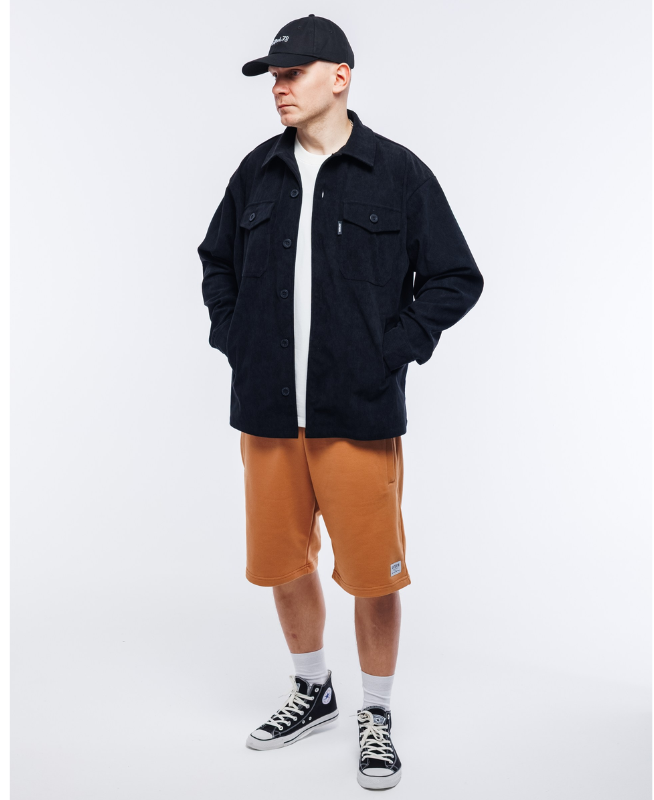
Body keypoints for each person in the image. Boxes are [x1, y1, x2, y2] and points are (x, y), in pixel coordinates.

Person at [198, 14, 484, 791]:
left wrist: (393, 348)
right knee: (282, 563)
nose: (279, 88)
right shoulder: (256, 172)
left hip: (357, 413)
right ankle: (313, 691)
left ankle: (376, 714)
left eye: (293, 73)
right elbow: (217, 261)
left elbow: (455, 276)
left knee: (372, 575)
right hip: (267, 413)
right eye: (273, 77)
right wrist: (235, 336)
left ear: (340, 76)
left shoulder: (397, 173)